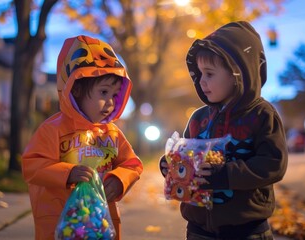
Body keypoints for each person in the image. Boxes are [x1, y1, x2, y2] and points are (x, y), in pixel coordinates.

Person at [159, 21, 288, 239]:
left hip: (245, 230)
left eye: (209, 74)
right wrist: (174, 166)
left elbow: (273, 163)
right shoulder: (199, 118)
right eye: (199, 74)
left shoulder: (261, 115)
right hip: (198, 228)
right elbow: (188, 155)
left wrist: (226, 175)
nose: (201, 81)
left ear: (238, 74)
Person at [22, 35, 143, 240]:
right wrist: (67, 173)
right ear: (75, 87)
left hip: (100, 222)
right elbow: (32, 165)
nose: (110, 102)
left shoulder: (111, 133)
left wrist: (119, 180)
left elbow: (132, 164)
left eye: (114, 95)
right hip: (60, 223)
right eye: (103, 92)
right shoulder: (53, 129)